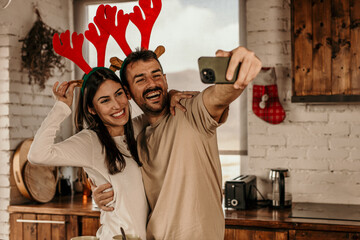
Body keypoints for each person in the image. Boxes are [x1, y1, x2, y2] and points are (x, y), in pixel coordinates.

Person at [92, 46, 262, 239]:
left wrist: (237, 72)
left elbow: (219, 95)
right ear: (128, 93)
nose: (152, 83)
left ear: (165, 80)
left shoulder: (189, 112)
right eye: (140, 80)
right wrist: (100, 195)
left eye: (156, 75)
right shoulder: (136, 140)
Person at [27, 67, 193, 240]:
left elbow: (161, 108)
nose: (117, 105)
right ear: (92, 108)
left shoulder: (138, 127)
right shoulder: (90, 141)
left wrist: (172, 93)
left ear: (127, 94)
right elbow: (37, 154)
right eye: (105, 100)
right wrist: (61, 107)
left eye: (119, 94)